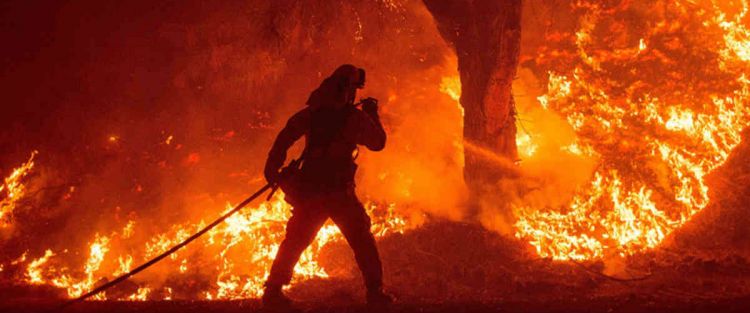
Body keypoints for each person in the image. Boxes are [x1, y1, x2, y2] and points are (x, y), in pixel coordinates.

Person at [262, 64, 393, 308]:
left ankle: (272, 291)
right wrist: (372, 113)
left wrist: (272, 167)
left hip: (311, 191)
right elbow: (378, 143)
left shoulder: (313, 113)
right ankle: (375, 293)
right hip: (338, 193)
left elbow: (286, 135)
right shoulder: (353, 117)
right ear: (350, 89)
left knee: (295, 241)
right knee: (362, 241)